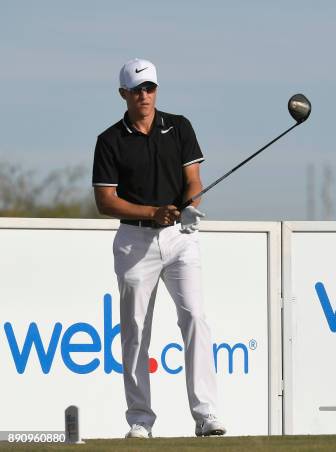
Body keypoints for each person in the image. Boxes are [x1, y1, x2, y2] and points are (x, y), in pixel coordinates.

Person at [92, 58, 225, 439]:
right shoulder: (109, 140)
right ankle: (140, 420)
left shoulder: (179, 127)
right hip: (134, 240)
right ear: (124, 95)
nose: (144, 95)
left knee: (195, 318)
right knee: (135, 329)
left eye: (149, 88)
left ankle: (206, 414)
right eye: (137, 90)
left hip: (180, 238)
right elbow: (106, 201)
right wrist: (153, 212)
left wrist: (190, 208)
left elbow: (193, 180)